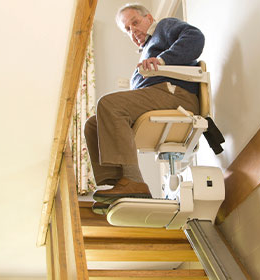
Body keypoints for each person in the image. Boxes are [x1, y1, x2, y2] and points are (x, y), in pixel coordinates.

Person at [84, 4, 205, 214]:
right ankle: (119, 182)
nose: (133, 31)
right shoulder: (145, 51)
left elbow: (195, 37)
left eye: (135, 23)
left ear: (148, 18)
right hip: (158, 97)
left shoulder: (164, 27)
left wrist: (162, 60)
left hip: (175, 95)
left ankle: (133, 181)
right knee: (93, 123)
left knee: (109, 104)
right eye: (128, 30)